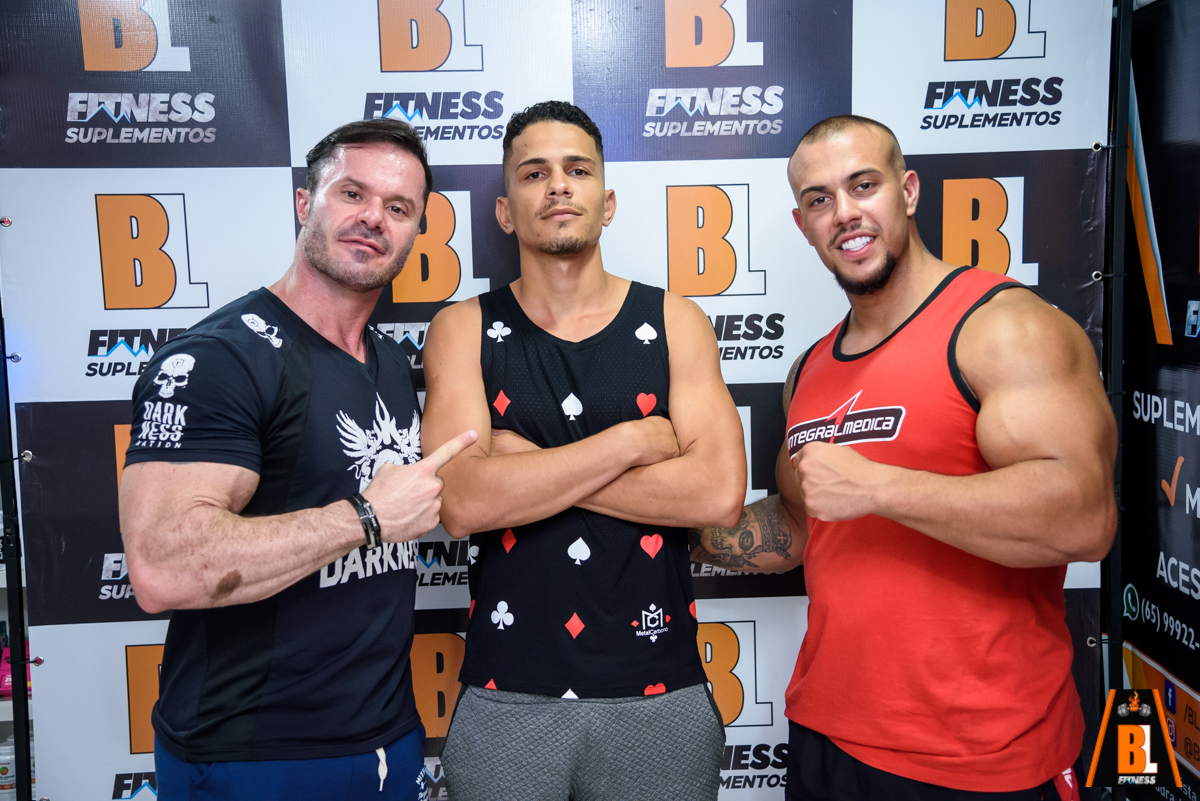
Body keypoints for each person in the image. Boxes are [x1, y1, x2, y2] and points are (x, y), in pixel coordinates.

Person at [691, 115, 1116, 801]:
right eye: (820, 199)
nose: (844, 213)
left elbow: (1085, 518)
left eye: (864, 185)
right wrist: (662, 529)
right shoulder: (811, 369)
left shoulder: (1003, 327)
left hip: (978, 759)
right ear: (803, 225)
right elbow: (799, 527)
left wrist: (880, 488)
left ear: (909, 190)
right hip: (826, 740)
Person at [119, 118, 477, 800]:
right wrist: (366, 517)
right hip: (253, 753)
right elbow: (161, 568)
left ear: (415, 233)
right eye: (352, 193)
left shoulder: (388, 360)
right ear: (305, 202)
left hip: (388, 735)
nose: (373, 218)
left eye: (399, 208)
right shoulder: (222, 358)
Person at [420, 101, 746, 801]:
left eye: (578, 170)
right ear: (505, 211)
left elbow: (717, 493)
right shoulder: (462, 328)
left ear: (608, 201)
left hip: (659, 690)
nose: (558, 186)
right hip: (508, 690)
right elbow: (461, 502)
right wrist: (631, 441)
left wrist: (525, 468)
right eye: (534, 173)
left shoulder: (675, 319)